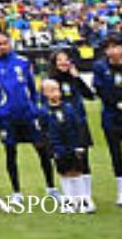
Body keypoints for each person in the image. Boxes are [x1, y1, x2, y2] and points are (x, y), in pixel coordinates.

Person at [0, 30, 54, 202]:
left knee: (42, 149)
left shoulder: (22, 62)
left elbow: (32, 88)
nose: (2, 46)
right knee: (10, 153)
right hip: (7, 117)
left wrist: (37, 108)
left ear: (10, 43)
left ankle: (51, 188)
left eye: (4, 43)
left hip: (28, 115)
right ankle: (16, 193)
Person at [48, 49, 98, 211]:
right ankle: (71, 199)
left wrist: (77, 77)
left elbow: (90, 95)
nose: (63, 62)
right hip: (60, 128)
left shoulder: (74, 79)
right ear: (54, 64)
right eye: (59, 60)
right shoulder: (52, 81)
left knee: (83, 161)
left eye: (66, 59)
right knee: (65, 162)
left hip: (79, 125)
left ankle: (86, 198)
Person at [95, 36, 122, 209]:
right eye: (109, 47)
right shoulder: (100, 68)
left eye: (116, 47)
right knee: (116, 155)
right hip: (111, 117)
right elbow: (101, 90)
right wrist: (119, 105)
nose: (112, 51)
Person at [41, 79, 92, 213]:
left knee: (77, 172)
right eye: (51, 91)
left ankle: (82, 202)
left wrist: (80, 145)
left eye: (57, 89)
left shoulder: (69, 108)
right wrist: (52, 149)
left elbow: (77, 126)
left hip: (72, 145)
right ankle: (69, 201)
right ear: (44, 93)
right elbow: (45, 132)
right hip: (58, 148)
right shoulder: (44, 112)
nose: (55, 93)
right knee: (64, 173)